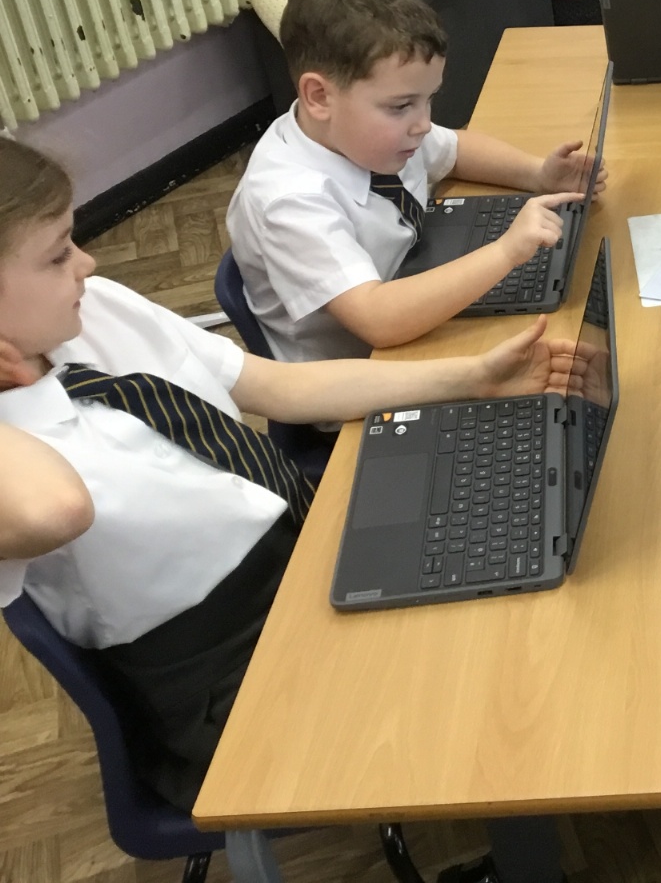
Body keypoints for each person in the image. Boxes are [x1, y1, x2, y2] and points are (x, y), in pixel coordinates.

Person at [0, 138, 583, 809]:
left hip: (303, 542)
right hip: (227, 669)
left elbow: (273, 386)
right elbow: (58, 510)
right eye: (57, 256)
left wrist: (470, 379)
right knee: (498, 688)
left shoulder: (93, 309)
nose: (87, 263)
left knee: (514, 562)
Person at [227, 0, 603, 365]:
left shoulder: (369, 136)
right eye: (402, 105)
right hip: (363, 371)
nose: (423, 124)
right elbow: (377, 319)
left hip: (414, 284)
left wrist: (536, 173)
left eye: (429, 99)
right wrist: (505, 252)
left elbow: (454, 149)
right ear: (319, 96)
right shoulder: (289, 202)